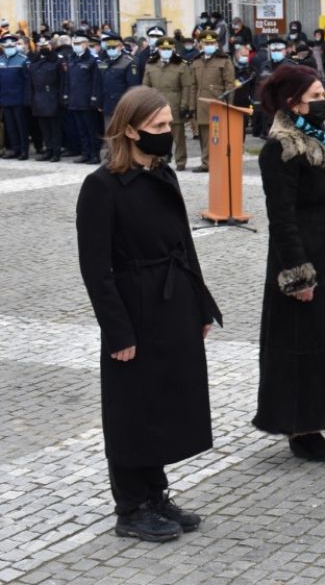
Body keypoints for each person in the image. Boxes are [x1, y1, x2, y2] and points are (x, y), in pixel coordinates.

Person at [76, 86, 222, 541]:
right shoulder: (101, 186)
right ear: (130, 131)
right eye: (158, 126)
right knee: (131, 408)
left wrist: (201, 303)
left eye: (169, 124)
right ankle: (131, 507)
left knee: (162, 402)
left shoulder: (163, 174)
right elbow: (95, 268)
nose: (167, 131)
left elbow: (185, 245)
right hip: (133, 307)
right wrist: (118, 332)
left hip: (172, 303)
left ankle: (156, 494)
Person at [254, 65, 325, 462]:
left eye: (323, 95)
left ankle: (316, 418)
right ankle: (300, 427)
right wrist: (298, 275)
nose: (323, 102)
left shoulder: (320, 140)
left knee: (322, 341)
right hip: (300, 260)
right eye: (315, 96)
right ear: (293, 102)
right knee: (299, 344)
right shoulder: (281, 149)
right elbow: (281, 219)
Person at [141, 43, 195, 172]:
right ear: (158, 50)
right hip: (156, 105)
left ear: (173, 50)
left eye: (168, 49)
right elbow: (145, 87)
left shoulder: (181, 65)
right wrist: (146, 105)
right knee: (156, 135)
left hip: (174, 104)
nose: (166, 51)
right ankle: (158, 160)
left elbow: (186, 87)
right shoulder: (151, 65)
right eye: (163, 49)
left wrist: (184, 105)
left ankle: (180, 161)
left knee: (178, 137)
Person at [190, 30, 236, 173]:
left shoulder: (224, 60)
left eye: (212, 43)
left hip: (218, 103)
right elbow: (193, 86)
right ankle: (206, 163)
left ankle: (219, 162)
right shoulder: (196, 61)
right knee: (204, 135)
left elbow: (229, 84)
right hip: (201, 103)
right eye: (206, 43)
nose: (209, 45)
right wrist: (192, 106)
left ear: (216, 44)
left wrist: (229, 105)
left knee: (218, 135)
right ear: (200, 44)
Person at [66, 31, 103, 164]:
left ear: (86, 44)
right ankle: (85, 153)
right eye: (74, 43)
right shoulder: (72, 59)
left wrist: (94, 98)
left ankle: (95, 154)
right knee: (81, 130)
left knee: (91, 129)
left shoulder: (92, 60)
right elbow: (68, 80)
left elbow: (96, 81)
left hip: (87, 101)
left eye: (78, 43)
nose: (75, 46)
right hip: (75, 100)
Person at [29, 37, 66, 161]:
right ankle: (48, 150)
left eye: (45, 46)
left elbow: (62, 81)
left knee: (54, 128)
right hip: (39, 97)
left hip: (52, 97)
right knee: (44, 127)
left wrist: (62, 98)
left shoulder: (57, 61)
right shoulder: (35, 61)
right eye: (40, 46)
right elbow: (31, 82)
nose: (43, 48)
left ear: (50, 46)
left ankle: (56, 151)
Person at [0, 33, 32, 160]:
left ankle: (24, 150)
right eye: (6, 46)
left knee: (21, 126)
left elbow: (27, 81)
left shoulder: (23, 59)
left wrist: (27, 98)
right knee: (10, 127)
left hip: (19, 99)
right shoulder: (1, 60)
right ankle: (15, 148)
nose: (8, 48)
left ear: (14, 46)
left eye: (11, 46)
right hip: (5, 98)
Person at [97, 34, 138, 130]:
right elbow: (100, 82)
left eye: (113, 47)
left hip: (122, 104)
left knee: (122, 132)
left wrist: (129, 104)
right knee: (109, 131)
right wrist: (99, 101)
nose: (111, 50)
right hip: (107, 105)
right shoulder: (104, 63)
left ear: (120, 47)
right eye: (108, 48)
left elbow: (132, 86)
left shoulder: (128, 62)